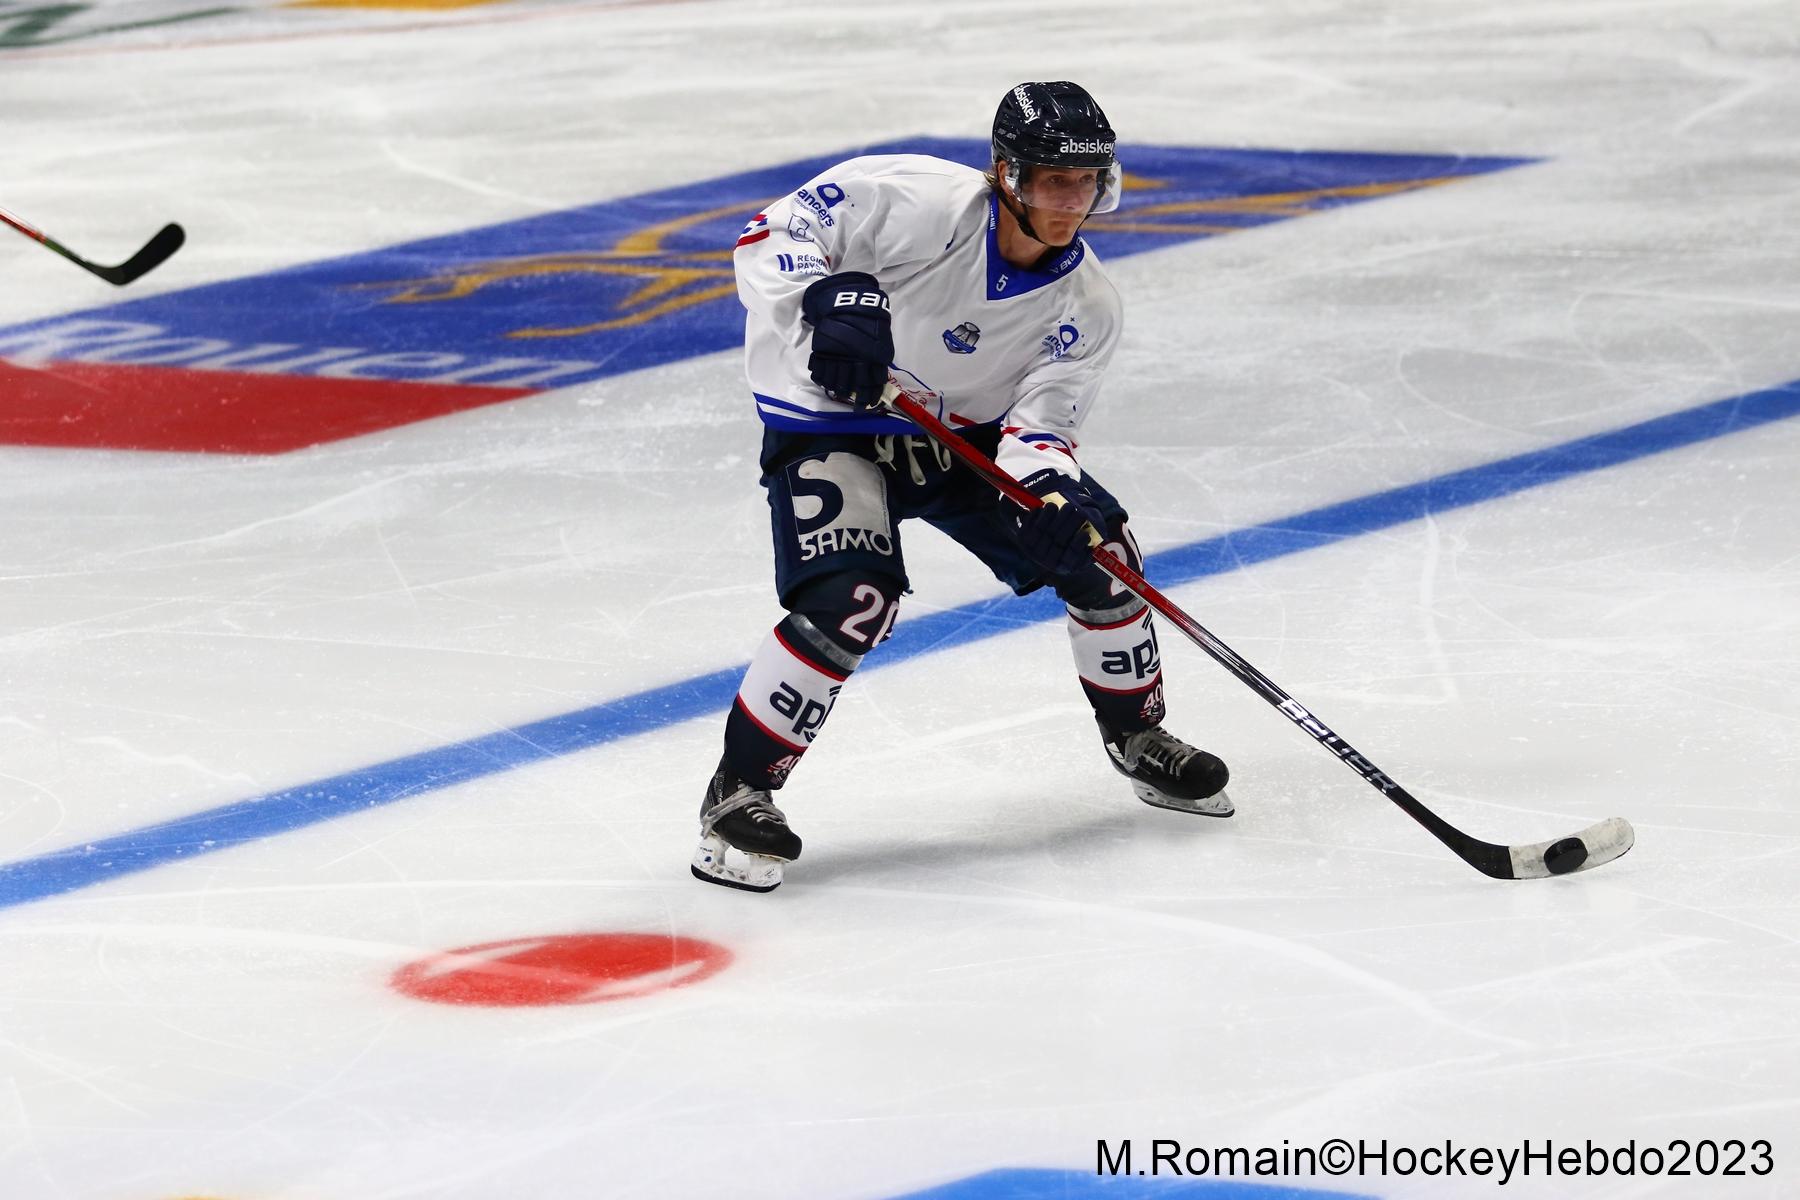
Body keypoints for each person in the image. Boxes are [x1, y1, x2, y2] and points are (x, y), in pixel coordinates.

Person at [693, 81, 1231, 892]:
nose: (1071, 202)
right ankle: (738, 790)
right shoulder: (916, 200)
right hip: (834, 421)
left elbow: (1041, 429)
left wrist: (1054, 497)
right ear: (1006, 175)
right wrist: (822, 298)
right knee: (853, 601)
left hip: (963, 438)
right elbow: (773, 232)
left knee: (1104, 555)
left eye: (1086, 181)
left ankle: (1136, 735)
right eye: (1054, 180)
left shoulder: (1087, 305)